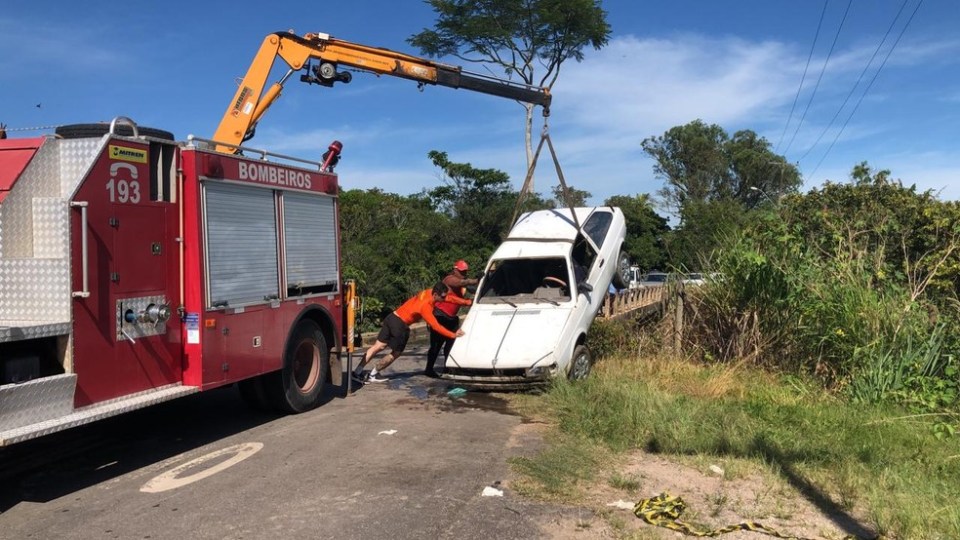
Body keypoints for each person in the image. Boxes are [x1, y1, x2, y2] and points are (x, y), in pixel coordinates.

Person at [352, 282, 469, 383]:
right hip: (400, 324)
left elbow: (450, 298)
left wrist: (466, 302)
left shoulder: (428, 292)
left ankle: (357, 372)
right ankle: (373, 374)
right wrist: (453, 335)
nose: (444, 299)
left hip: (392, 317)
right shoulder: (426, 307)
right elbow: (436, 327)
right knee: (396, 353)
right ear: (435, 295)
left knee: (378, 346)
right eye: (442, 297)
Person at [426, 259, 479, 377]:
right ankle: (429, 369)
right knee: (436, 345)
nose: (463, 273)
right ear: (455, 270)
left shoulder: (462, 283)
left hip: (451, 318)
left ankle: (448, 367)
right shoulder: (449, 279)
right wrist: (475, 280)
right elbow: (461, 283)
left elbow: (470, 288)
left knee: (452, 343)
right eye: (461, 271)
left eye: (465, 271)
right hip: (440, 315)